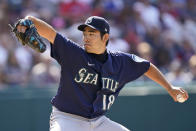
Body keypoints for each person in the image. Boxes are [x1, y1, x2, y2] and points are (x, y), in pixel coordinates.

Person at [17, 15, 189, 131]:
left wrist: (170, 87)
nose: (86, 37)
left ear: (105, 37)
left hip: (99, 122)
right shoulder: (73, 53)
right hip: (67, 119)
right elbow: (49, 32)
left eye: (92, 33)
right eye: (85, 33)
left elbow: (147, 67)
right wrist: (26, 21)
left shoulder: (121, 62)